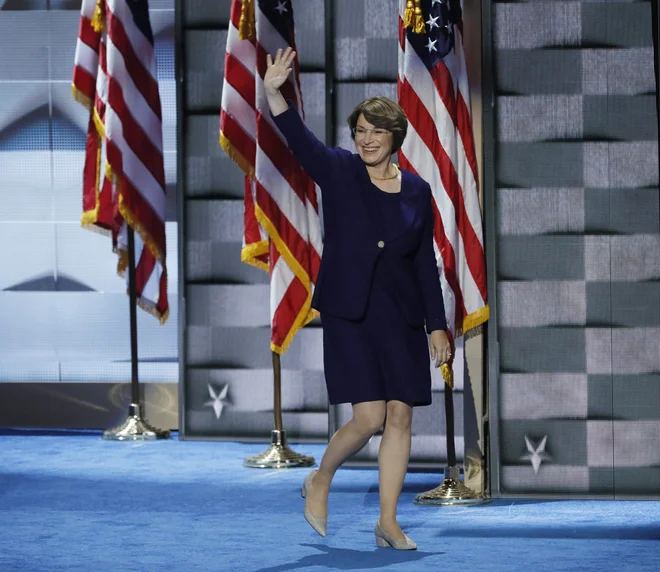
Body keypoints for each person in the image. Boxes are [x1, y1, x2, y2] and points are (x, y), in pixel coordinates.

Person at [265, 47, 451, 550]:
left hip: (402, 316)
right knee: (368, 418)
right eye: (360, 131)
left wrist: (437, 324)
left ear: (395, 138)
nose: (366, 140)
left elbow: (421, 263)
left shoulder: (417, 191)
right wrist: (274, 94)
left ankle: (388, 521)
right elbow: (300, 143)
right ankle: (320, 479)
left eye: (376, 132)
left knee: (402, 415)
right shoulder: (341, 171)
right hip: (352, 313)